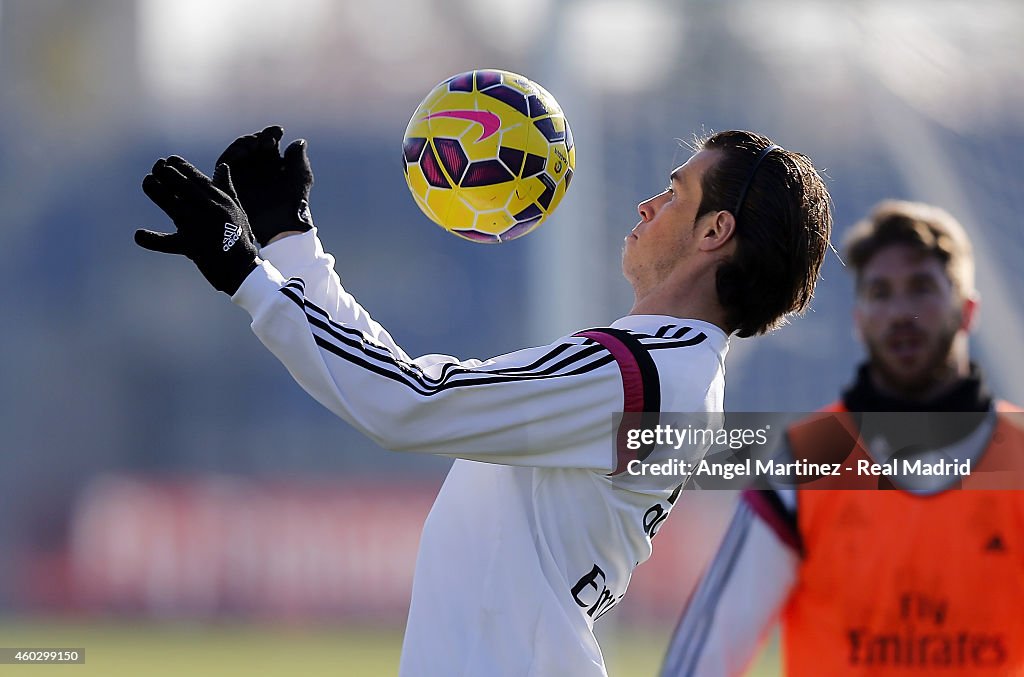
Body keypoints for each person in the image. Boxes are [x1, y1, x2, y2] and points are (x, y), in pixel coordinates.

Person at [134, 126, 832, 676]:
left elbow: (404, 401)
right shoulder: (670, 368)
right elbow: (410, 386)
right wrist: (290, 241)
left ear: (715, 232)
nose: (648, 204)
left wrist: (245, 270)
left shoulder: (637, 372)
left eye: (675, 193)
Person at [660, 200, 1024, 676]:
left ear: (967, 311)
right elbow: (707, 652)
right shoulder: (813, 456)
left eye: (921, 288)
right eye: (880, 292)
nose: (901, 312)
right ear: (858, 319)